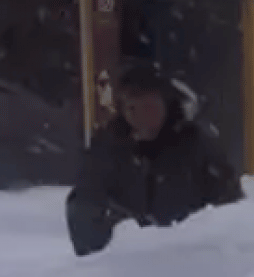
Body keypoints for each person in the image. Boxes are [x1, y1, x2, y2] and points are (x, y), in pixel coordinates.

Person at [65, 63, 244, 256]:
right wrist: (108, 250)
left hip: (189, 261)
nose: (140, 116)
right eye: (131, 108)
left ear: (166, 105)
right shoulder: (109, 147)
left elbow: (230, 212)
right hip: (123, 263)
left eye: (148, 107)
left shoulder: (197, 145)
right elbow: (84, 205)